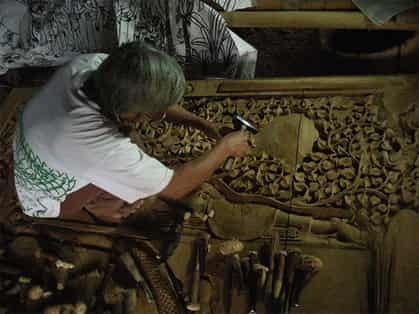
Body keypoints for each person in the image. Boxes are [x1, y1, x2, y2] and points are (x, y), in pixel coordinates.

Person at [13, 42, 251, 222]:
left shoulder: (91, 65)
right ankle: (99, 208)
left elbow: (147, 94)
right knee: (133, 197)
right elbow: (175, 187)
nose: (154, 116)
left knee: (133, 146)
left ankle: (104, 191)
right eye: (151, 114)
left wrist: (202, 124)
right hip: (46, 198)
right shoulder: (99, 145)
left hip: (40, 143)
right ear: (131, 114)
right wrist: (225, 148)